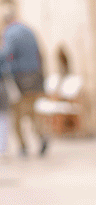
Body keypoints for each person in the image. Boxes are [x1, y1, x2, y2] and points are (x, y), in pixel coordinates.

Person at [1, 5, 47, 156]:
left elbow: (7, 54)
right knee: (33, 111)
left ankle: (22, 146)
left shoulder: (10, 32)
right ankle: (41, 136)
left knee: (17, 114)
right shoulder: (28, 30)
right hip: (35, 77)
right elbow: (40, 53)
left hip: (20, 79)